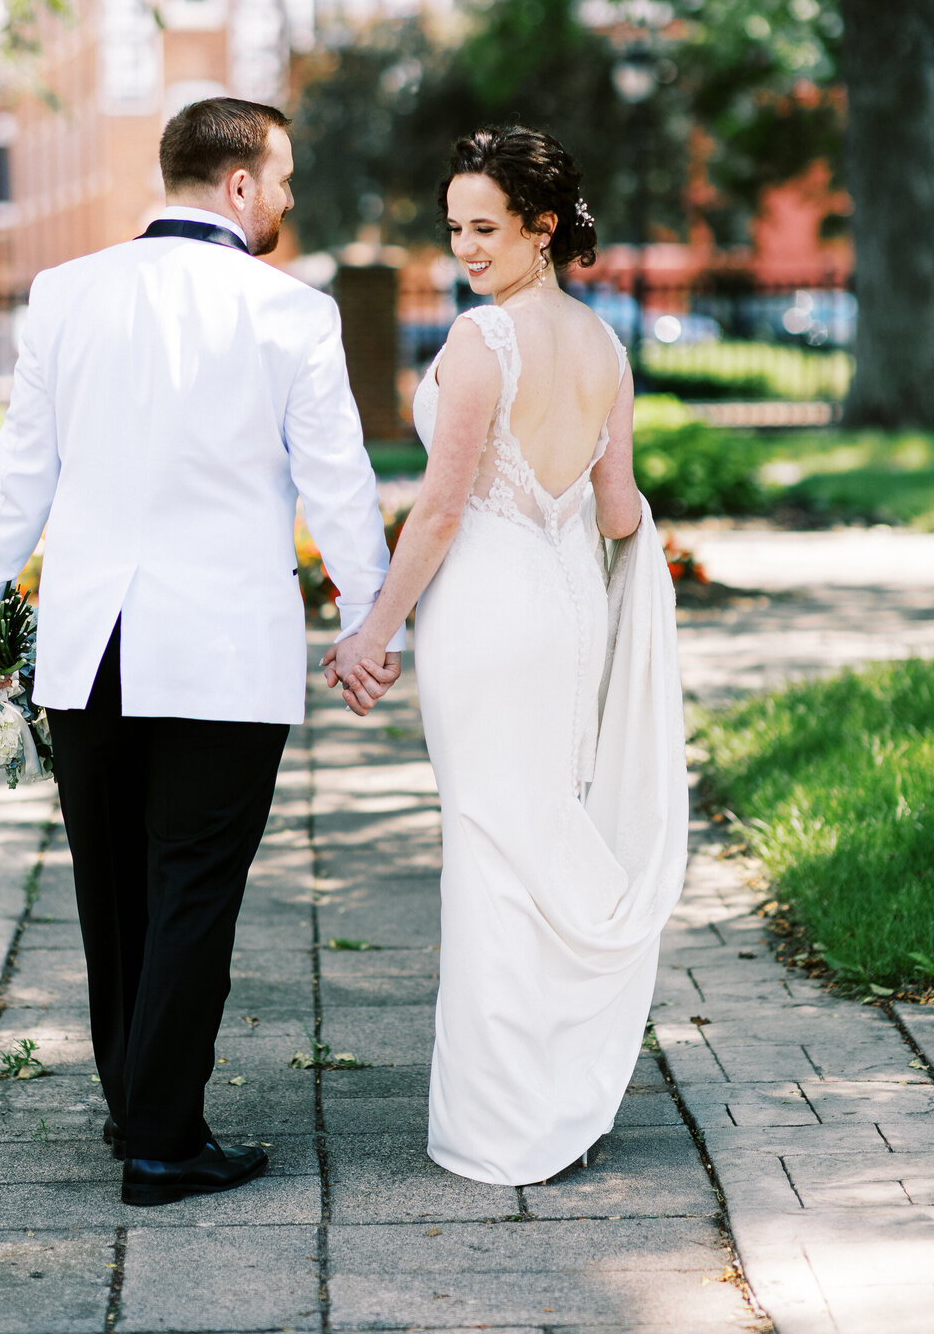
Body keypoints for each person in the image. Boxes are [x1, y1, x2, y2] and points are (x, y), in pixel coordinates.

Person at [0, 96, 402, 1207]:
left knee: (113, 892)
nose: (287, 199)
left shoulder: (65, 293)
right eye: (283, 179)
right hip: (220, 652)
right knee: (194, 886)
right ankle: (162, 1140)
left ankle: (134, 1106)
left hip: (90, 648)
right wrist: (370, 620)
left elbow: (24, 473)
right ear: (242, 185)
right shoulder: (292, 312)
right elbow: (336, 481)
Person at [327, 125, 689, 1187]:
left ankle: (501, 1126)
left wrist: (371, 633)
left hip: (490, 610)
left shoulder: (485, 343)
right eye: (455, 229)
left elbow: (439, 512)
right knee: (540, 825)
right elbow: (619, 510)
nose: (466, 249)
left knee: (491, 849)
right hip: (567, 605)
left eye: (486, 229)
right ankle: (551, 1090)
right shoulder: (607, 349)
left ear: (542, 230)